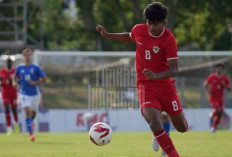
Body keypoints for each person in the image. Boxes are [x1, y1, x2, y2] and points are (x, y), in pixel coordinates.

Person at [96, 2, 188, 157]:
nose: (152, 27)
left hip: (165, 86)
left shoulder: (169, 39)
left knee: (182, 128)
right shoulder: (139, 29)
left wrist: (156, 75)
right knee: (153, 122)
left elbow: (174, 69)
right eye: (149, 23)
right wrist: (108, 34)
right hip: (145, 85)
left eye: (156, 24)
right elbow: (129, 36)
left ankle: (168, 125)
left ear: (164, 23)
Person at [13, 48, 46, 141]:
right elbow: (14, 77)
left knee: (33, 113)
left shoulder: (36, 67)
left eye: (29, 55)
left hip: (34, 94)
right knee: (27, 111)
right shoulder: (20, 67)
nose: (27, 57)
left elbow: (44, 78)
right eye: (26, 55)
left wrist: (35, 82)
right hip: (23, 93)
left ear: (31, 56)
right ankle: (31, 133)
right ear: (23, 56)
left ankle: (29, 124)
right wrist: (14, 82)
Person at [204, 64, 230, 133]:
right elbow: (205, 85)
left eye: (220, 68)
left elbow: (230, 88)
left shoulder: (224, 78)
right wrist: (208, 90)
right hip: (213, 97)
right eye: (217, 68)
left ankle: (213, 127)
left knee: (220, 113)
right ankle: (213, 114)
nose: (219, 69)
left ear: (222, 69)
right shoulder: (211, 77)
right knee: (218, 110)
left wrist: (225, 85)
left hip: (221, 98)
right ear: (215, 69)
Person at [0, 57, 19, 136]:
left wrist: (13, 81)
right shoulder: (2, 71)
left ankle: (16, 124)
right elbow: (1, 81)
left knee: (14, 109)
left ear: (12, 63)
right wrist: (2, 83)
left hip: (13, 93)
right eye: (7, 62)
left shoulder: (14, 71)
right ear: (5, 63)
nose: (9, 64)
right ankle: (9, 128)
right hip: (5, 93)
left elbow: (18, 80)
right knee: (7, 109)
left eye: (10, 62)